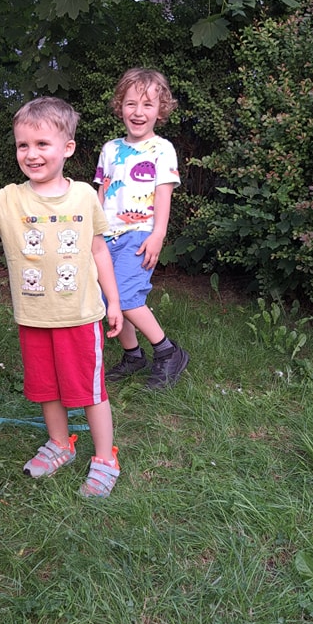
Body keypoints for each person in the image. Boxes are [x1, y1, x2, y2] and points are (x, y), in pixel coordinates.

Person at [0, 96, 124, 498]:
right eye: (23, 145)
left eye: (42, 144)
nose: (31, 154)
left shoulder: (85, 196)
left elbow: (99, 249)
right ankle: (60, 443)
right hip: (33, 318)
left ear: (67, 148)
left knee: (89, 392)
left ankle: (106, 457)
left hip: (79, 317)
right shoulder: (9, 198)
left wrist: (115, 302)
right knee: (46, 388)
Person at [94, 67, 189, 389]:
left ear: (160, 110)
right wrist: (92, 232)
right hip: (105, 235)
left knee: (125, 295)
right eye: (131, 103)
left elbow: (163, 194)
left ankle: (167, 351)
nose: (138, 112)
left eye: (147, 105)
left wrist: (157, 234)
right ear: (120, 106)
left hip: (139, 234)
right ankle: (133, 355)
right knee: (109, 297)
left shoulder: (162, 149)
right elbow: (102, 192)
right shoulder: (109, 149)